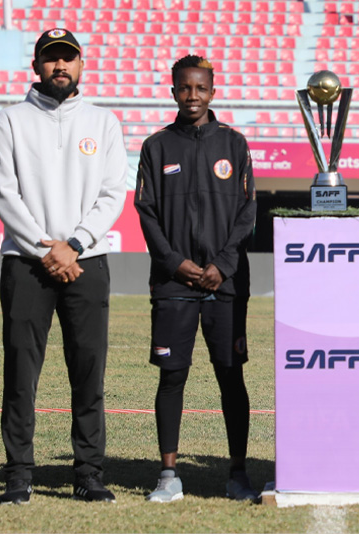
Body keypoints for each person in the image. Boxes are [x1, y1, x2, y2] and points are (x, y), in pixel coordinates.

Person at [0, 28, 127, 504]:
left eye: (68, 58)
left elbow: (113, 193)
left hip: (87, 262)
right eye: (51, 58)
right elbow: (4, 193)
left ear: (81, 64)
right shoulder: (10, 120)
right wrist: (45, 249)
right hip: (26, 264)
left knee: (88, 373)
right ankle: (18, 475)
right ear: (36, 66)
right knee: (20, 373)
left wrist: (76, 244)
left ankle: (88, 474)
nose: (60, 66)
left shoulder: (103, 122)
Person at [134, 55, 258, 503]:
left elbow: (248, 212)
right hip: (175, 284)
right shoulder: (156, 146)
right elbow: (146, 213)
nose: (192, 96)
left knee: (231, 377)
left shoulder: (235, 143)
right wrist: (175, 263)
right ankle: (168, 476)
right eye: (184, 88)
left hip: (225, 283)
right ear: (173, 91)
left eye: (200, 88)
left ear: (212, 91)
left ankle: (238, 473)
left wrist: (222, 265)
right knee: (172, 376)